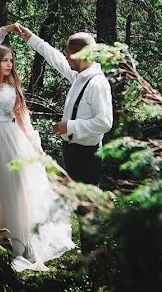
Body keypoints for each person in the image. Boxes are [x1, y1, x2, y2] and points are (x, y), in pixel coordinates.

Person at [0, 25, 75, 272]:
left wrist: (36, 147)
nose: (9, 65)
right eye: (4, 61)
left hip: (10, 140)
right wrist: (4, 30)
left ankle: (19, 242)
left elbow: (23, 121)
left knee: (13, 186)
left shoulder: (14, 89)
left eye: (11, 60)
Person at [11, 24, 113, 185]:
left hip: (86, 156)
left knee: (84, 204)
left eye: (68, 54)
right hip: (72, 151)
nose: (65, 58)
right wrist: (31, 38)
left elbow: (105, 123)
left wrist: (69, 127)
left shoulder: (97, 84)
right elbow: (55, 58)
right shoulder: (79, 76)